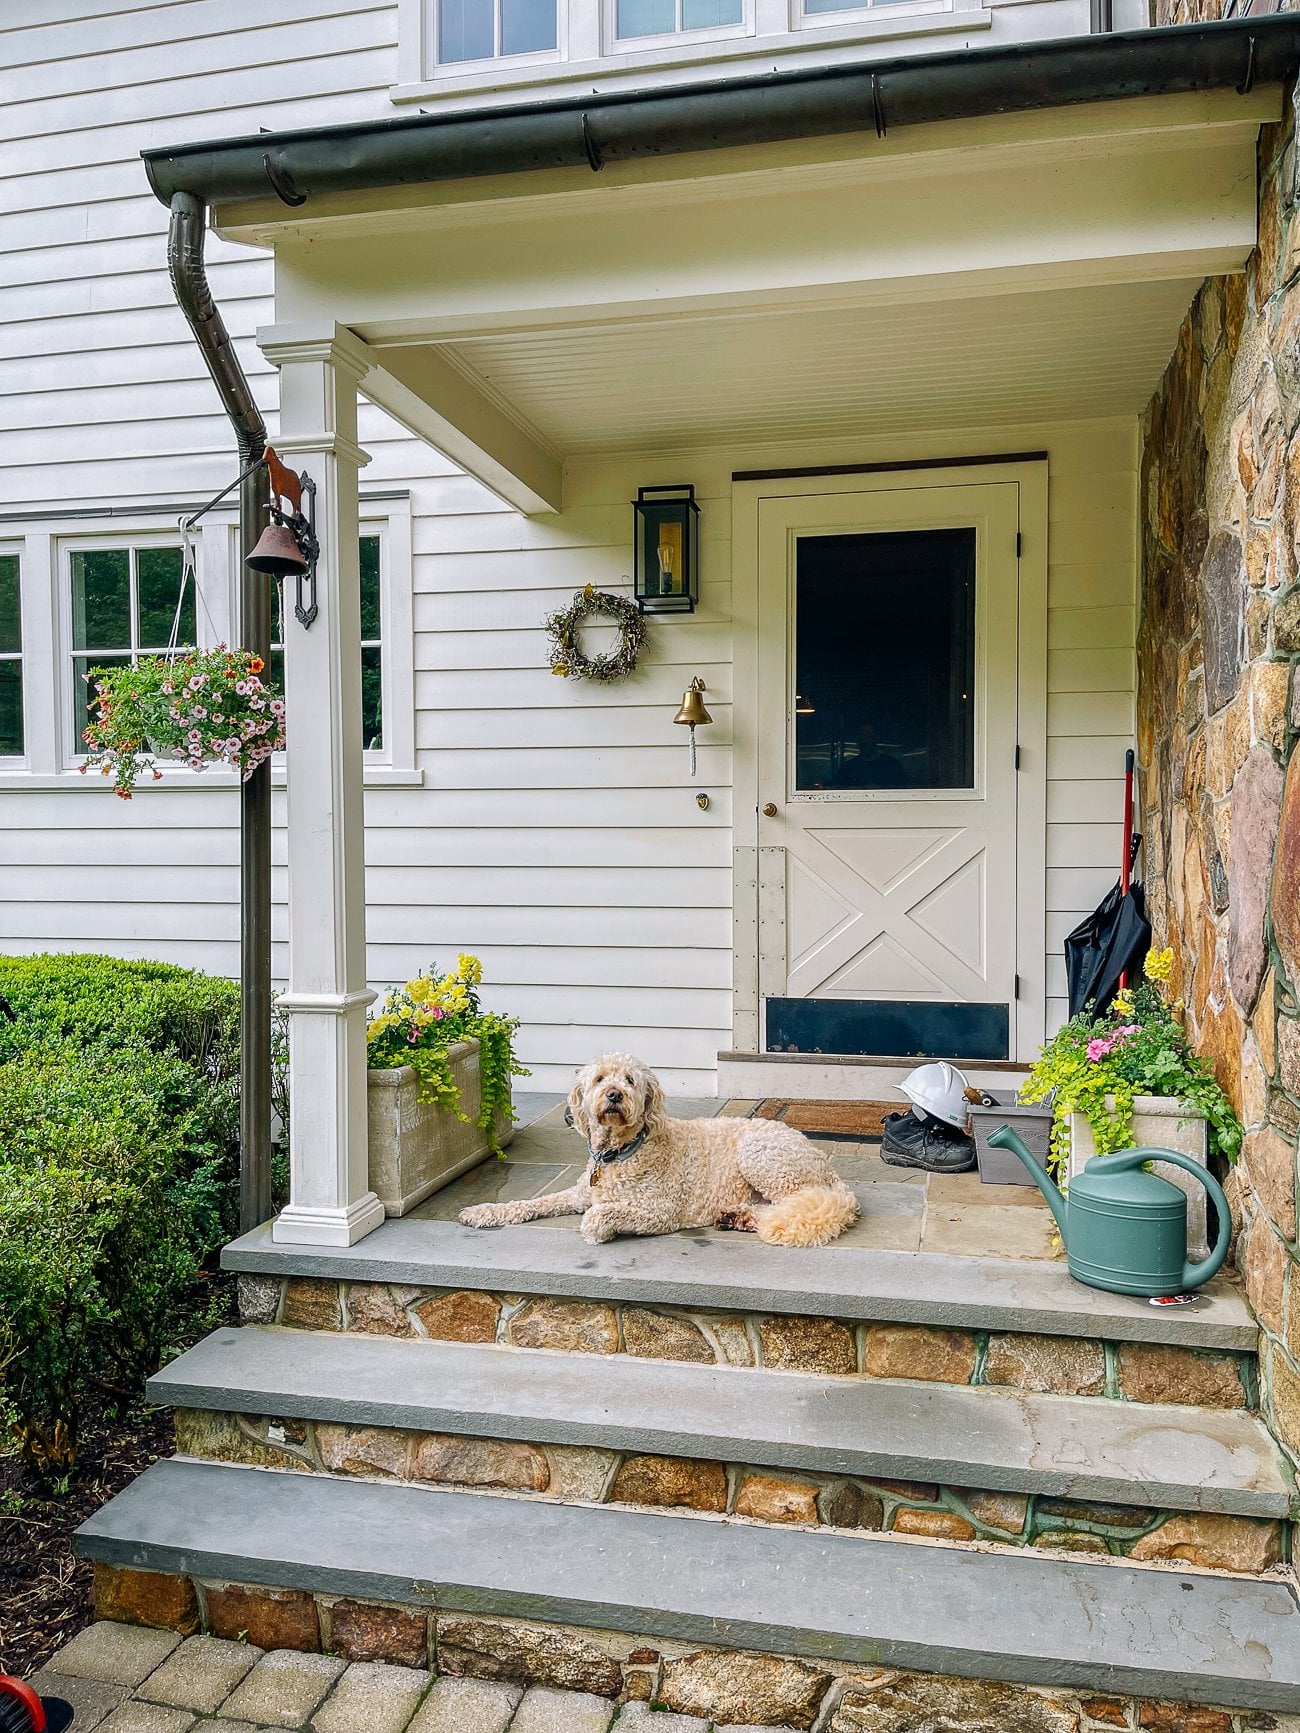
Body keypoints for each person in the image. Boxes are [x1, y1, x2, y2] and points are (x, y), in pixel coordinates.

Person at [831, 722, 908, 789]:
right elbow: (836, 789)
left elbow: (903, 790)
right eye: (861, 737)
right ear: (857, 741)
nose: (864, 740)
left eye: (868, 736)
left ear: (876, 739)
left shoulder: (892, 765)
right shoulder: (847, 768)